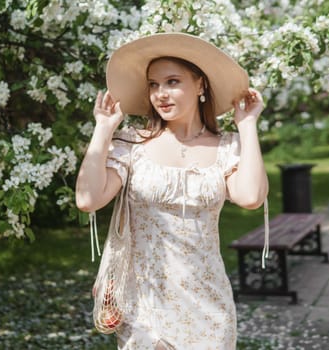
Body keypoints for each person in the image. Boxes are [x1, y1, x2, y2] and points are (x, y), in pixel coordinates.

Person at [75, 33, 269, 350]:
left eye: (172, 82)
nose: (160, 94)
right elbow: (87, 200)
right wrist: (103, 129)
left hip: (209, 305)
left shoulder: (227, 148)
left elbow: (251, 197)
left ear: (200, 85)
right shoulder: (132, 143)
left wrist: (247, 125)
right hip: (145, 305)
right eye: (153, 84)